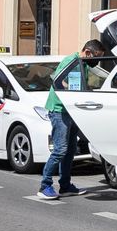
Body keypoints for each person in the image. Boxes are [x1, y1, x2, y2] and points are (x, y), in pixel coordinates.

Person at [40, 39, 106, 200]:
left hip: (72, 110)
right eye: (96, 56)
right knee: (60, 150)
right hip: (59, 110)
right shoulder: (71, 61)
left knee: (70, 150)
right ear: (88, 52)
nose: (96, 61)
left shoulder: (83, 64)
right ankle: (45, 185)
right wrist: (71, 90)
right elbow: (57, 81)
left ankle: (65, 186)